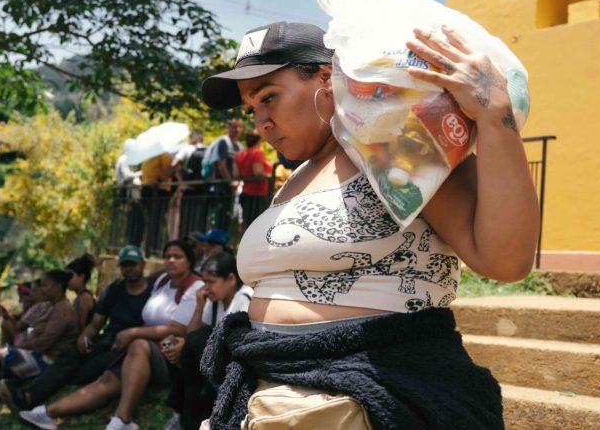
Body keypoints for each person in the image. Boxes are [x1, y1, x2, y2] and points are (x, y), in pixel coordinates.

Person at [198, 21, 540, 429]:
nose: (261, 122)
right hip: (272, 392)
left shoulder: (395, 146)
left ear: (326, 78)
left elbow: (505, 260)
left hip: (361, 394)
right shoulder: (297, 176)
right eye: (251, 109)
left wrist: (494, 116)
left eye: (269, 97)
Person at [18, 240, 203, 430]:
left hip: (170, 352)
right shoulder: (162, 281)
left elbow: (178, 329)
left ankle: (123, 419)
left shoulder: (194, 287)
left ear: (189, 261)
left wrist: (133, 332)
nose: (171, 260)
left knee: (138, 345)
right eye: (167, 256)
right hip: (142, 350)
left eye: (178, 257)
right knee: (107, 380)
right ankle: (48, 413)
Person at [0, 245, 153, 414]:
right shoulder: (114, 290)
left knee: (82, 371)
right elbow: (95, 324)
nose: (129, 269)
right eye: (125, 265)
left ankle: (38, 396)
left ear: (143, 264)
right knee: (70, 354)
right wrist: (84, 337)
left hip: (130, 346)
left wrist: (133, 335)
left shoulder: (154, 292)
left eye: (133, 264)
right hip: (106, 339)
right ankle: (28, 397)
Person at [0, 269, 79, 416]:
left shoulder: (63, 310)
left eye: (45, 285)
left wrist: (17, 347)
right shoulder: (55, 306)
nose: (42, 290)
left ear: (58, 287)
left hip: (47, 361)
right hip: (41, 355)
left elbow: (42, 343)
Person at [165, 252, 253, 430]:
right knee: (187, 350)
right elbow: (193, 335)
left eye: (211, 282)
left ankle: (185, 417)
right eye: (204, 282)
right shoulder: (215, 300)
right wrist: (199, 306)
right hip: (215, 361)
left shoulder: (243, 301)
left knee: (190, 351)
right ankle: (183, 414)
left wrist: (189, 346)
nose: (206, 288)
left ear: (231, 279)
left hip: (236, 366)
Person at [207, 118, 243, 229]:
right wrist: (230, 182)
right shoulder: (223, 142)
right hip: (221, 187)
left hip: (233, 188)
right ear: (228, 127)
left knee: (228, 215)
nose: (237, 130)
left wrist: (236, 183)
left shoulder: (239, 146)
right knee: (220, 215)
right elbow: (221, 165)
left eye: (239, 127)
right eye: (234, 127)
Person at [234, 129, 274, 229]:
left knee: (247, 223)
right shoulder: (257, 153)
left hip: (245, 193)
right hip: (258, 195)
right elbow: (258, 172)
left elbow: (236, 174)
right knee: (258, 224)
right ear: (259, 139)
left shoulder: (239, 154)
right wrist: (269, 176)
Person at [141, 152, 174, 253]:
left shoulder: (163, 155)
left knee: (157, 220)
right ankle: (148, 246)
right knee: (149, 220)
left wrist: (158, 180)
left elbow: (170, 169)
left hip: (159, 191)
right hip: (148, 189)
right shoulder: (147, 155)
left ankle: (154, 247)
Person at [65, 253, 96, 330]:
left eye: (70, 276)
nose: (67, 280)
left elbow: (80, 328)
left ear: (82, 277)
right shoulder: (80, 297)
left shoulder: (84, 298)